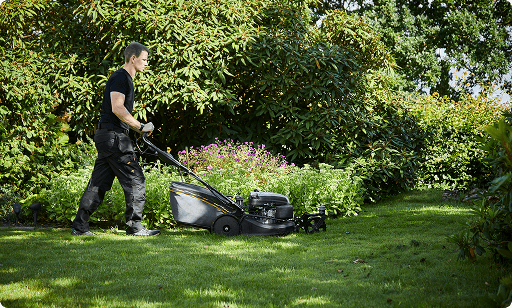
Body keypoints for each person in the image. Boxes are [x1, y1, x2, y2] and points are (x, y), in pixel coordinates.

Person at [71, 42, 160, 236]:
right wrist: (140, 127)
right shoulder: (121, 77)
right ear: (133, 58)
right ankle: (135, 227)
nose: (146, 63)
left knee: (98, 184)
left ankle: (79, 227)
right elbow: (117, 107)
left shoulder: (123, 78)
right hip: (114, 137)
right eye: (144, 60)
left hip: (107, 136)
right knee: (136, 179)